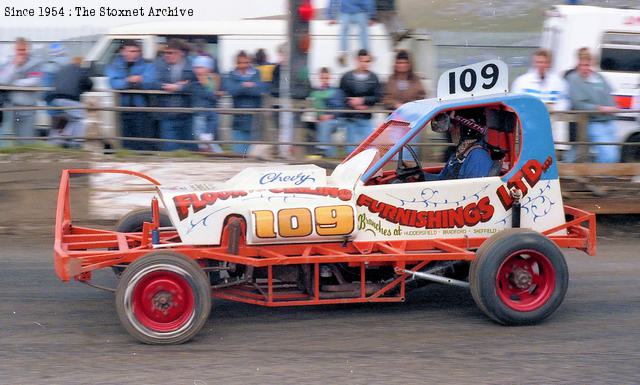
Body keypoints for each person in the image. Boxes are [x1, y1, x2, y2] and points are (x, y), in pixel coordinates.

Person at [566, 47, 619, 163]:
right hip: (593, 121)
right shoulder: (573, 79)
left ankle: (601, 175)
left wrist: (613, 107)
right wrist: (600, 108)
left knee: (613, 153)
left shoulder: (599, 78)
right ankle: (602, 176)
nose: (585, 68)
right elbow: (579, 103)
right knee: (609, 154)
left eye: (588, 65)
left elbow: (609, 94)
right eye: (583, 65)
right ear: (578, 64)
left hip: (609, 121)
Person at [512, 48, 569, 152]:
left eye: (544, 62)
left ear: (549, 64)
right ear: (534, 63)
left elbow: (564, 101)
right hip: (529, 125)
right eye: (538, 62)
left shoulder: (558, 82)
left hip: (552, 125)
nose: (541, 65)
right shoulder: (522, 82)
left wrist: (553, 108)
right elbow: (517, 103)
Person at [106, 40, 156, 150]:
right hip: (123, 108)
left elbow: (151, 82)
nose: (134, 54)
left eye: (137, 51)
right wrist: (131, 80)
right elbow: (113, 83)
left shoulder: (147, 64)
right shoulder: (115, 65)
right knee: (125, 138)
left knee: (143, 138)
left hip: (141, 108)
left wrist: (127, 82)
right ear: (123, 51)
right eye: (131, 51)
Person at [425, 110, 495, 180]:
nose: (451, 130)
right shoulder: (461, 151)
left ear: (468, 128)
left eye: (455, 125)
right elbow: (442, 179)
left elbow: (475, 189)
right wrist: (421, 176)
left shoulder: (478, 156)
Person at [154, 39, 196, 151]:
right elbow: (152, 81)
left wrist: (178, 87)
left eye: (171, 53)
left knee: (190, 150)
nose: (167, 56)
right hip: (167, 114)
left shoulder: (193, 65)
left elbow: (198, 85)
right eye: (165, 53)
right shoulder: (159, 64)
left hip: (188, 114)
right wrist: (165, 86)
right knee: (170, 150)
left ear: (181, 53)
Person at [0, 37, 42, 145]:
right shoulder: (9, 62)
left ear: (28, 49)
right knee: (8, 140)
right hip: (10, 107)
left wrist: (13, 82)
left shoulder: (36, 62)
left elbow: (34, 81)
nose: (21, 53)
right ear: (15, 50)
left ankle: (25, 159)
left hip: (28, 107)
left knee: (26, 139)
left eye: (23, 50)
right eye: (19, 50)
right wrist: (14, 66)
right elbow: (2, 81)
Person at [339, 49, 381, 152]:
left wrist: (363, 101)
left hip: (366, 117)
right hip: (350, 118)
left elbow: (377, 97)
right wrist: (353, 105)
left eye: (367, 61)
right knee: (351, 150)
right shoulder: (346, 77)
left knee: (370, 148)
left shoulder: (374, 78)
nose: (364, 64)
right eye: (362, 61)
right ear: (357, 60)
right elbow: (341, 96)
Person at [49, 56, 93, 148]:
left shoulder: (62, 69)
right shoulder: (80, 69)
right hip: (69, 99)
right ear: (81, 63)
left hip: (55, 99)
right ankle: (76, 143)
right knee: (82, 116)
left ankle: (56, 141)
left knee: (69, 119)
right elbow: (89, 84)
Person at [224, 50, 263, 155]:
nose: (243, 65)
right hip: (238, 120)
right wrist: (245, 85)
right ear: (236, 63)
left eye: (246, 62)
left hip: (254, 120)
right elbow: (231, 90)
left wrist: (240, 87)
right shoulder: (231, 75)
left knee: (252, 155)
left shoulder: (257, 73)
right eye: (240, 63)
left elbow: (259, 91)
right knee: (239, 154)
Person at [327, 0, 376, 66]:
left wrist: (332, 16)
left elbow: (333, 1)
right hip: (360, 11)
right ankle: (366, 53)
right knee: (364, 31)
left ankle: (343, 54)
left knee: (344, 31)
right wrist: (371, 16)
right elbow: (368, 2)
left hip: (345, 11)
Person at [191, 55, 222, 153]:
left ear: (208, 69)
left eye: (201, 67)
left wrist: (205, 85)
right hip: (198, 114)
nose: (198, 70)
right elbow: (188, 87)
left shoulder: (212, 80)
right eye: (196, 67)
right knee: (200, 138)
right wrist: (177, 87)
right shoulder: (195, 82)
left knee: (206, 140)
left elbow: (213, 97)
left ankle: (218, 155)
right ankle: (214, 154)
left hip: (208, 114)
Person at [311, 67, 344, 157]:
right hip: (321, 120)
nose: (324, 80)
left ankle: (322, 149)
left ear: (330, 78)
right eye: (322, 78)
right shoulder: (315, 92)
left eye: (326, 78)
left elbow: (340, 109)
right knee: (321, 125)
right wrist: (318, 117)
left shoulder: (336, 91)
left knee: (325, 124)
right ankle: (331, 155)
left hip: (336, 120)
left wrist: (329, 116)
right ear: (319, 78)